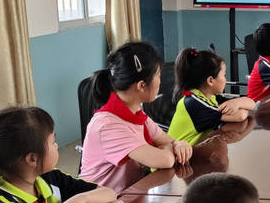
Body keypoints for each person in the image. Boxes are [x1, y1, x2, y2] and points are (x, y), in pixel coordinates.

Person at [80, 42, 193, 192]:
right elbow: (165, 160)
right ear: (141, 85)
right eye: (158, 76)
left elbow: (168, 141)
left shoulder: (136, 114)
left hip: (128, 195)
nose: (160, 81)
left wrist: (177, 144)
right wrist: (168, 148)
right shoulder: (108, 126)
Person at [167, 48, 255, 146]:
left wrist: (237, 103)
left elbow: (252, 103)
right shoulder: (194, 103)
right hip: (178, 154)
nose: (225, 80)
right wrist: (240, 105)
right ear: (210, 81)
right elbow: (240, 116)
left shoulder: (211, 97)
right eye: (224, 75)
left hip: (195, 150)